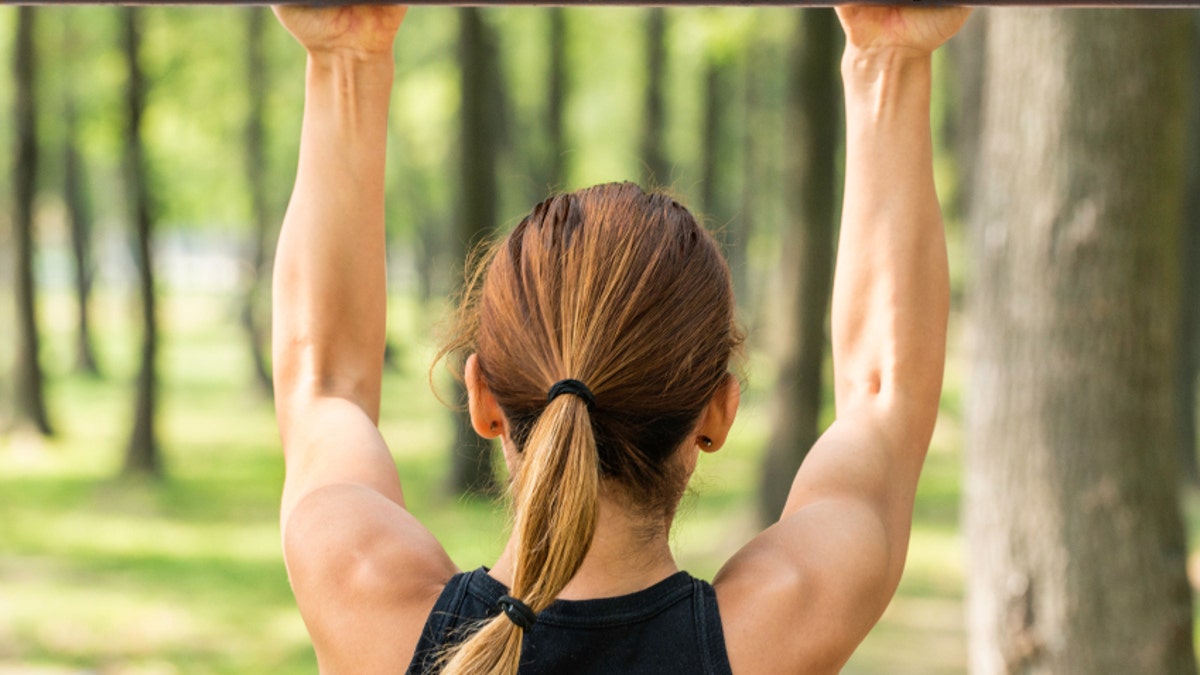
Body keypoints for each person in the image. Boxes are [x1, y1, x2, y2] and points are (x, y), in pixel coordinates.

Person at [270, 4, 970, 674]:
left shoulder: (366, 597)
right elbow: (885, 390)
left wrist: (346, 58)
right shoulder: (779, 628)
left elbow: (323, 380)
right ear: (719, 412)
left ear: (480, 395)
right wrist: (887, 55)